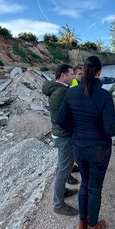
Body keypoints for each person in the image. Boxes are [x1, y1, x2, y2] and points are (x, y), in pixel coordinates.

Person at [57, 56, 115, 229]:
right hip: (98, 149)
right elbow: (111, 129)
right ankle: (92, 227)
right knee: (94, 188)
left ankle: (82, 223)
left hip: (79, 147)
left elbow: (61, 120)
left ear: (83, 71)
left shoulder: (71, 92)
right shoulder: (104, 96)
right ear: (99, 72)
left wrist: (77, 131)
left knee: (85, 183)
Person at [41, 64, 78, 216]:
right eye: (71, 74)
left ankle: (63, 192)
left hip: (59, 134)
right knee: (63, 170)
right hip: (64, 136)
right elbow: (61, 118)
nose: (73, 77)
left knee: (62, 166)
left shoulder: (56, 88)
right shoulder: (62, 91)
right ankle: (58, 204)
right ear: (63, 76)